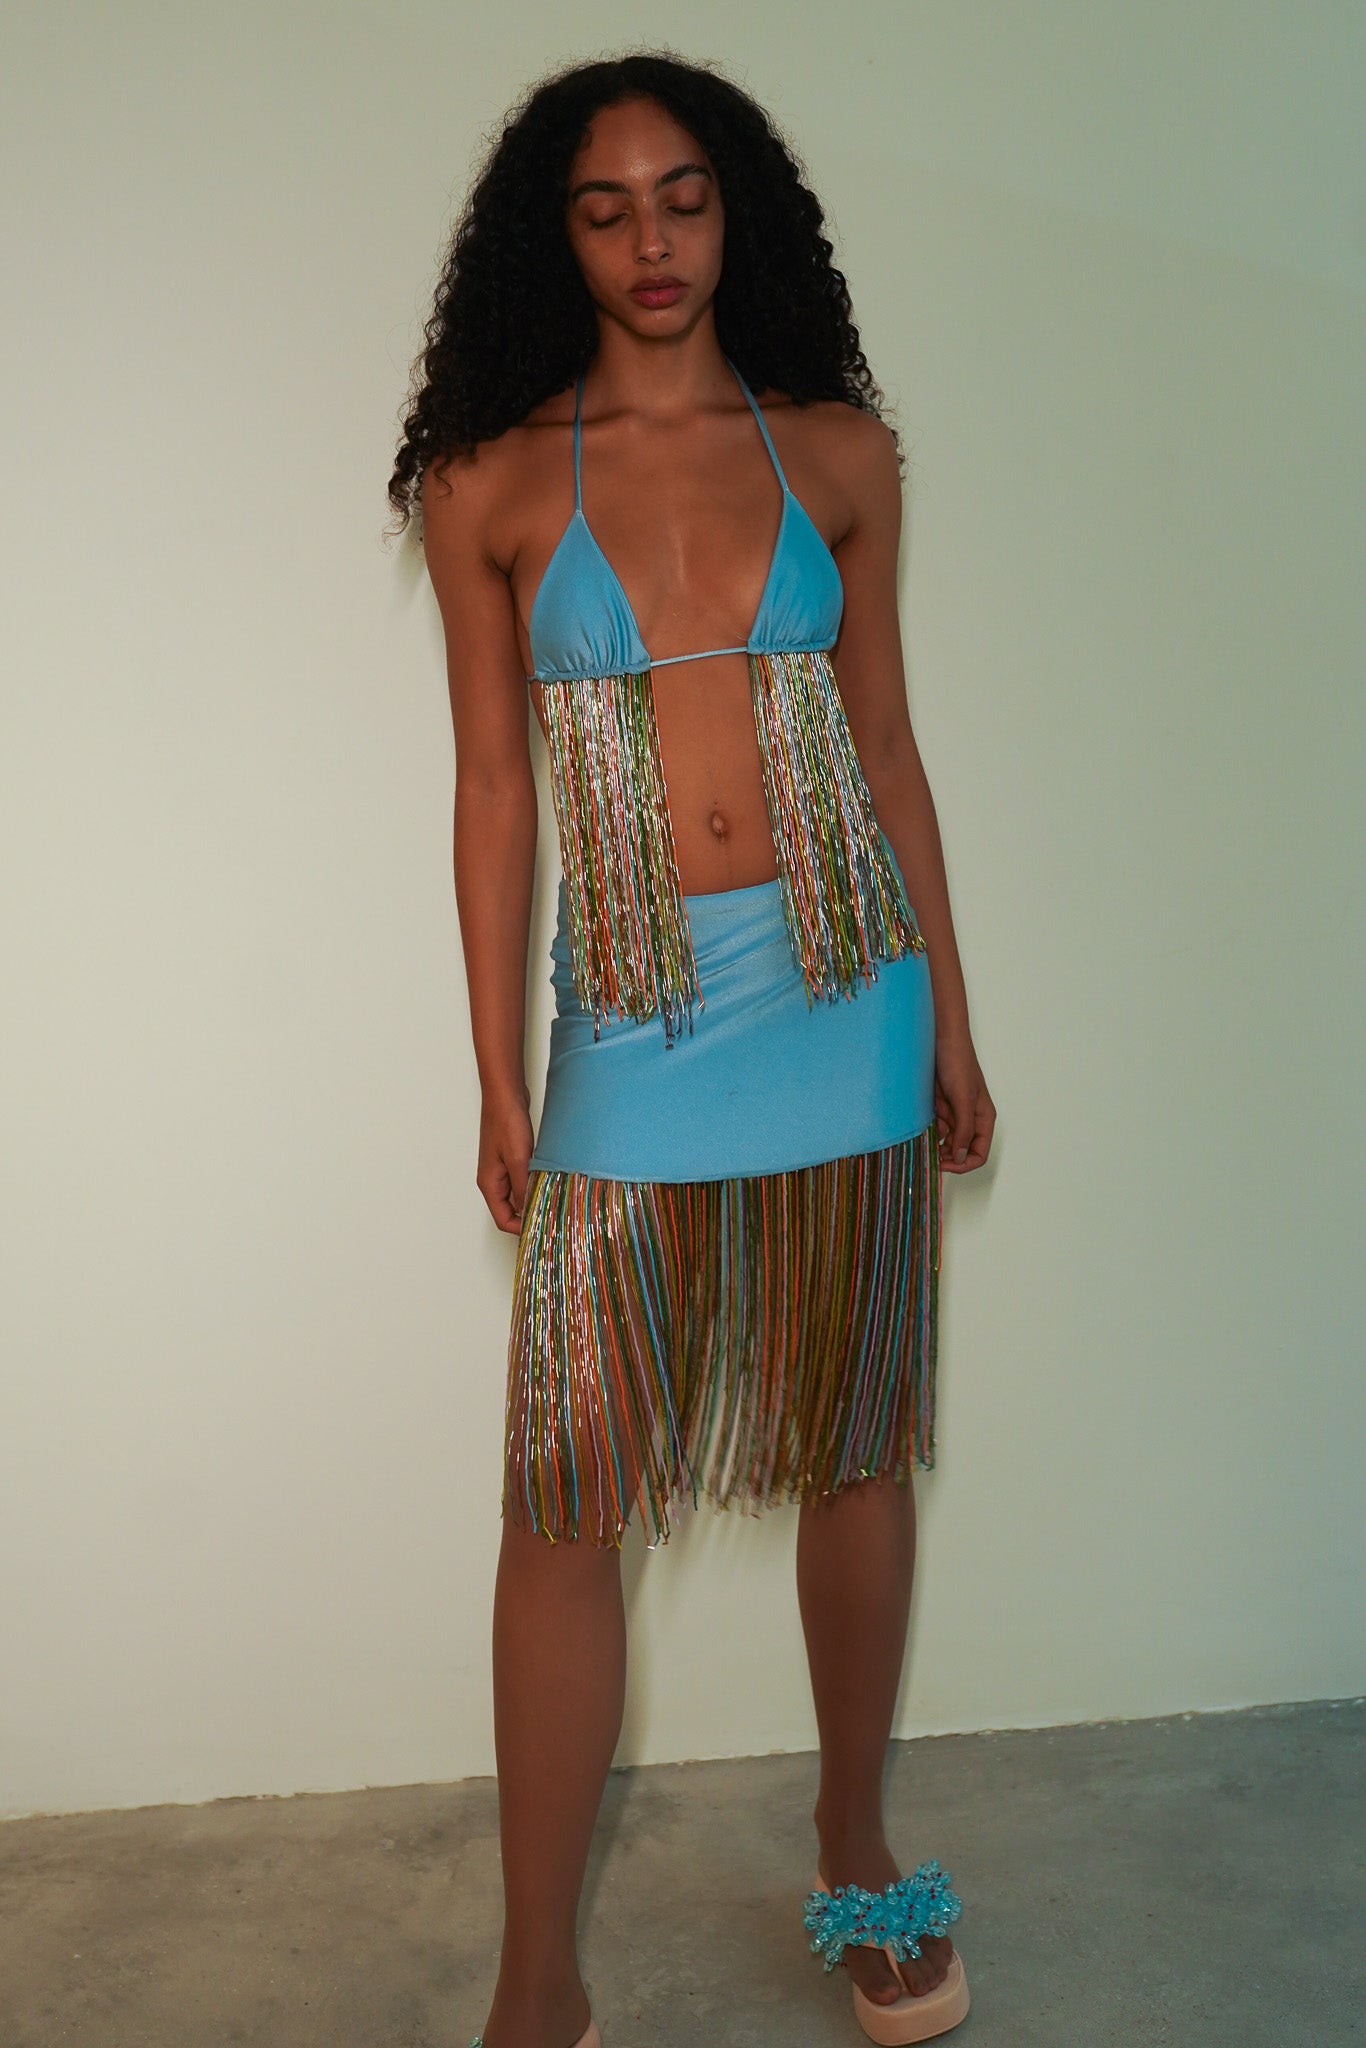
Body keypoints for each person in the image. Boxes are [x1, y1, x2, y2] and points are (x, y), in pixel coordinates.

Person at [388, 50, 995, 2048]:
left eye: (680, 198)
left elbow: (882, 744)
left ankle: (853, 1843)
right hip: (636, 1017)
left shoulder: (837, 453)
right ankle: (537, 1974)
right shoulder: (490, 481)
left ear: (736, 214)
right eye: (602, 208)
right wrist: (498, 1067)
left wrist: (951, 1018)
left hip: (843, 989)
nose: (648, 241)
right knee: (564, 1498)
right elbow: (494, 790)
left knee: (853, 1445)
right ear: (550, 238)